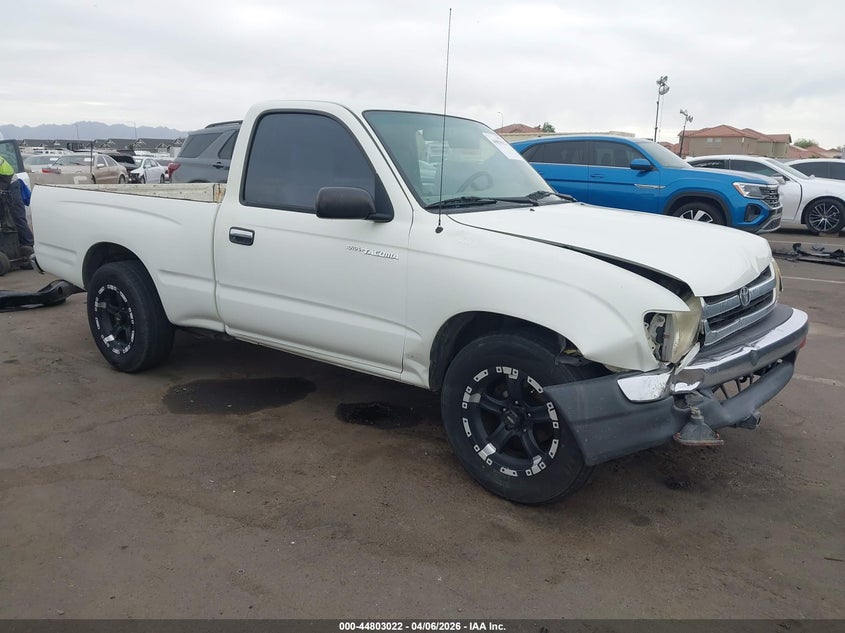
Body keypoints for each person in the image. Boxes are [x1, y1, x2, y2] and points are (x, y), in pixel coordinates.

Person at [0, 156, 34, 255]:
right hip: (6, 182)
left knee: (17, 218)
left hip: (10, 183)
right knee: (5, 219)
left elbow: (6, 178)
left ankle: (29, 246)